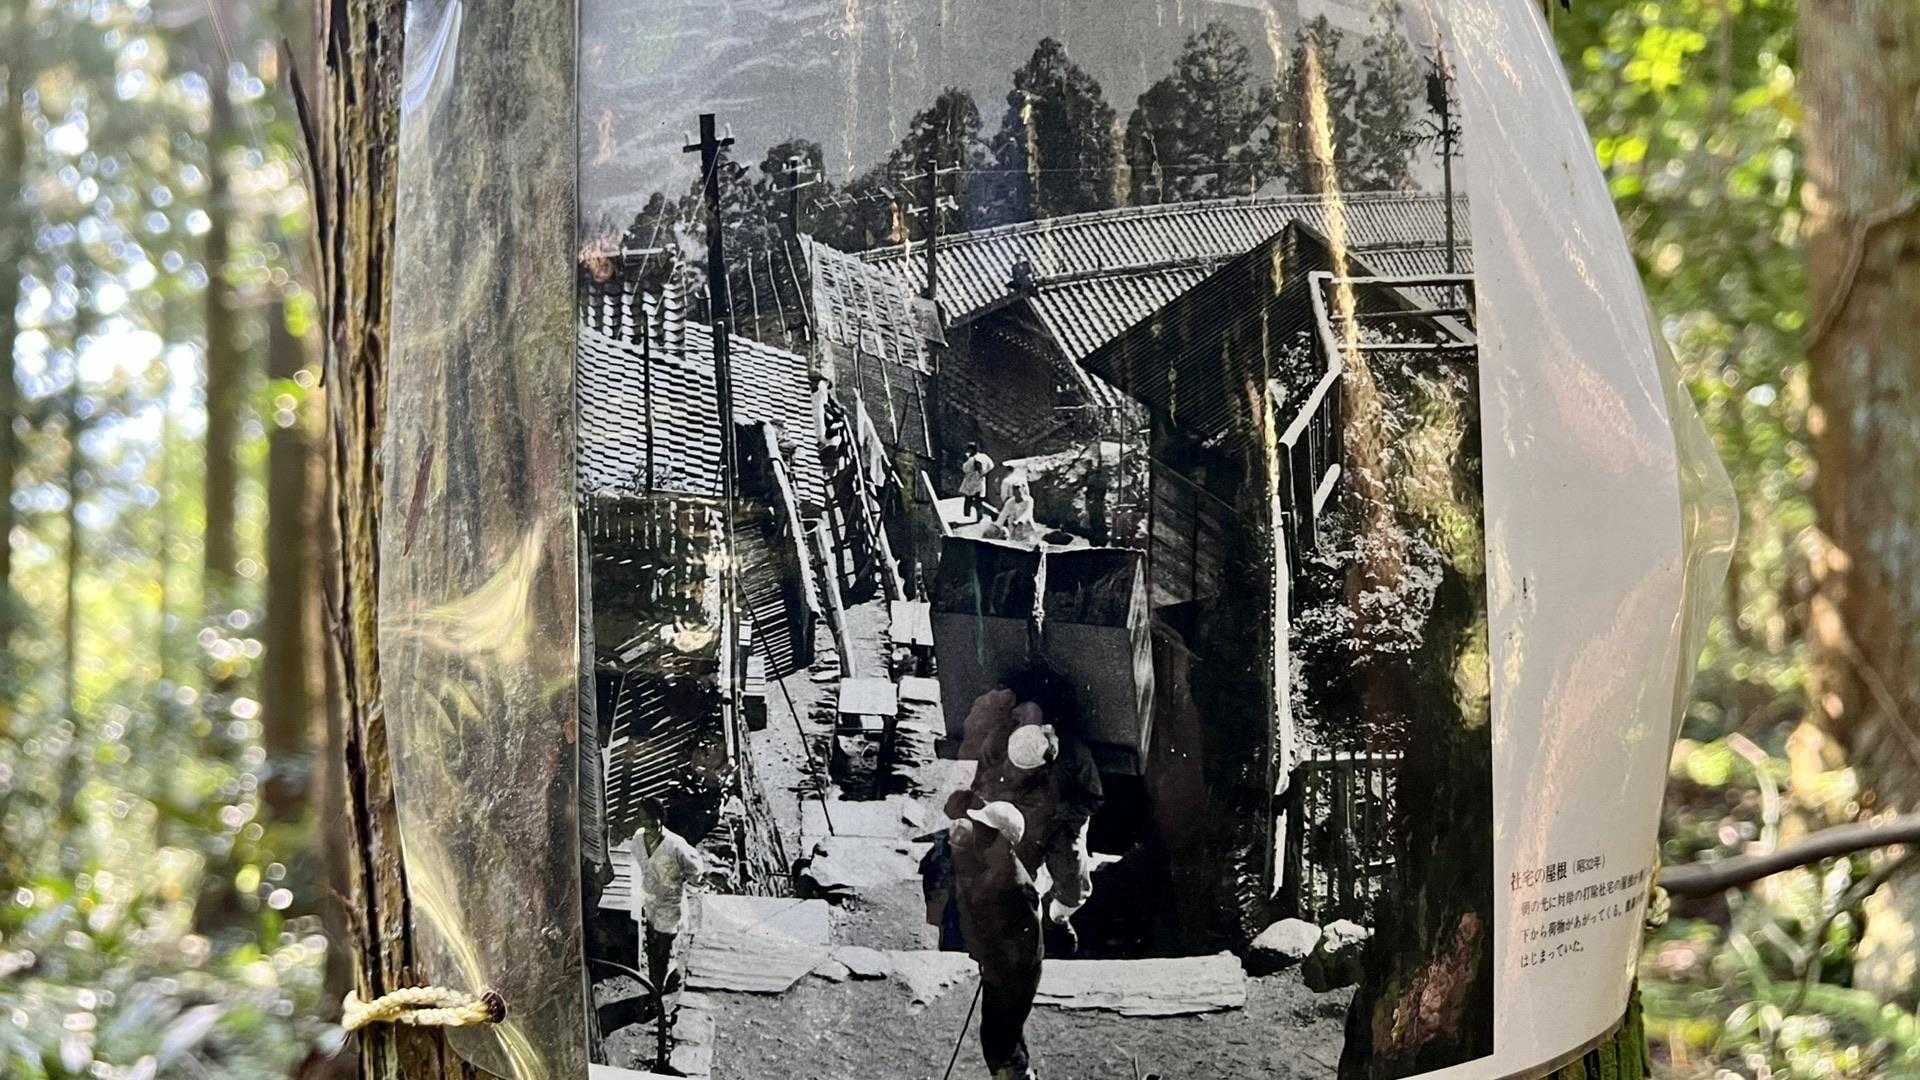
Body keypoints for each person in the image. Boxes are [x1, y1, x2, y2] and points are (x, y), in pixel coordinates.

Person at [949, 801, 1043, 1080]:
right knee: (1000, 1036)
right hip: (1000, 971)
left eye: (987, 830)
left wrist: (995, 964)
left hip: (1013, 978)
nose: (978, 833)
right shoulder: (992, 864)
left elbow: (1027, 948)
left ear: (1004, 840)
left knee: (1000, 1041)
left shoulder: (1018, 886)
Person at [630, 797, 706, 996]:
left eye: (652, 818)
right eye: (643, 819)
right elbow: (638, 864)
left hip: (670, 904)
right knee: (653, 944)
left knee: (663, 947)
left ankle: (657, 991)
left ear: (661, 818)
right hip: (650, 901)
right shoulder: (638, 839)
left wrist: (679, 879)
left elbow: (696, 869)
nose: (648, 823)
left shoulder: (675, 844)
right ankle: (669, 978)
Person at [996, 472, 1039, 545]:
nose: (1017, 493)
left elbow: (1027, 513)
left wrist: (1018, 522)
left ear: (1022, 490)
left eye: (1019, 490)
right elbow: (1003, 515)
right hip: (1013, 532)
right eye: (1015, 490)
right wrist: (997, 526)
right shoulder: (1010, 502)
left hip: (1027, 530)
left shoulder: (1029, 500)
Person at [959, 442, 995, 521]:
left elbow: (965, 469)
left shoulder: (972, 459)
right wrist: (985, 472)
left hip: (971, 480)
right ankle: (979, 516)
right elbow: (991, 465)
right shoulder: (984, 456)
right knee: (979, 500)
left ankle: (967, 515)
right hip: (980, 480)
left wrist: (967, 460)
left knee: (968, 498)